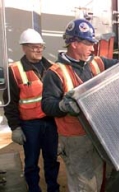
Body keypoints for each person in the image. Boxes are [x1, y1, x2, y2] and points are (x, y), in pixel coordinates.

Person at [41, 18, 119, 192]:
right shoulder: (55, 73)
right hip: (75, 139)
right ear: (75, 43)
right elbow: (47, 105)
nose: (93, 48)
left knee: (97, 180)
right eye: (89, 43)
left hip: (98, 134)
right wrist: (63, 106)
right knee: (83, 184)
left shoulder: (97, 63)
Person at [3, 28, 60, 192]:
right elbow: (10, 102)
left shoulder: (52, 68)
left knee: (51, 159)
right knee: (31, 162)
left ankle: (53, 188)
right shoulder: (14, 70)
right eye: (33, 47)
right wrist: (15, 127)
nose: (38, 49)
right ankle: (34, 189)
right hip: (30, 126)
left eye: (40, 46)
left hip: (50, 123)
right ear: (24, 48)